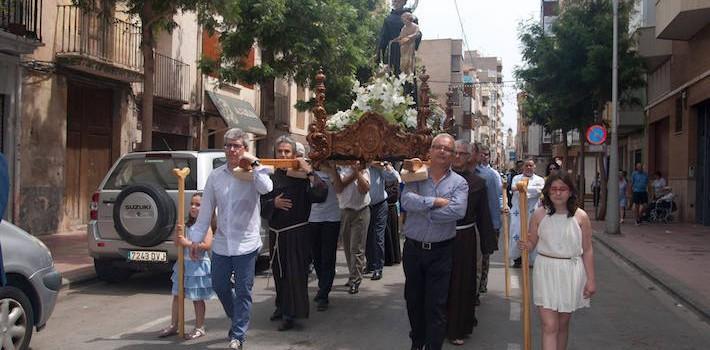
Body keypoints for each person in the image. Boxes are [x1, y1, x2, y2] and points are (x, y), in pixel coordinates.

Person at [190, 128, 273, 350]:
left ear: (245, 149)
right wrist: (196, 240)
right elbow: (206, 211)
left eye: (236, 145)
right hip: (222, 243)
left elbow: (267, 189)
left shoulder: (254, 174)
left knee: (244, 290)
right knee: (219, 285)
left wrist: (254, 165)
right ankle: (238, 317)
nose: (231, 150)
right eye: (228, 145)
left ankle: (238, 335)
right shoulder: (216, 176)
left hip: (246, 243)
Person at [401, 133, 468, 350]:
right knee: (413, 301)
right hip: (413, 250)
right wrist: (436, 202)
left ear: (453, 155)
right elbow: (406, 201)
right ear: (430, 150)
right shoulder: (416, 175)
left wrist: (425, 210)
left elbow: (458, 210)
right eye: (437, 147)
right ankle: (416, 343)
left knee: (436, 306)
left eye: (447, 149)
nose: (442, 151)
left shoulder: (460, 183)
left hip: (441, 252)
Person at [519, 172, 596, 350]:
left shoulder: (581, 216)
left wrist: (591, 280)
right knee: (549, 326)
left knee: (562, 325)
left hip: (570, 271)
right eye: (554, 189)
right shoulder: (539, 214)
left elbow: (588, 249)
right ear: (547, 192)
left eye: (562, 189)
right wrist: (526, 244)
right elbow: (532, 243)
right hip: (546, 270)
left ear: (570, 192)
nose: (558, 193)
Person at [261, 136, 327, 331]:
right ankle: (281, 307)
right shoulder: (269, 178)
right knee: (279, 272)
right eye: (279, 151)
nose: (282, 155)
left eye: (286, 152)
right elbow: (260, 204)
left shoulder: (301, 178)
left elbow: (321, 194)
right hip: (276, 234)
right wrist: (274, 204)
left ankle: (291, 314)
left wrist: (309, 171)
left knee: (294, 275)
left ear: (294, 154)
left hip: (297, 234)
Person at [447, 140, 495, 346]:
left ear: (469, 157)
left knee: (462, 284)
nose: (457, 156)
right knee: (441, 283)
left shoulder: (478, 183)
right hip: (440, 237)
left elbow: (483, 215)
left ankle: (459, 327)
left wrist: (487, 244)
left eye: (461, 153)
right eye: (454, 153)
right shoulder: (439, 177)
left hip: (465, 238)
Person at [159, 193, 215, 340]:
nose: (193, 207)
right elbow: (178, 243)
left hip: (197, 267)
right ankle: (174, 325)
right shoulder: (186, 225)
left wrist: (187, 243)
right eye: (192, 204)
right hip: (183, 264)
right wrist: (177, 235)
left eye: (198, 205)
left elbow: (207, 245)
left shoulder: (205, 226)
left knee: (197, 298)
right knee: (177, 295)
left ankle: (199, 326)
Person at [330, 161, 371, 294]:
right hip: (345, 211)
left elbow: (363, 189)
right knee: (347, 247)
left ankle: (355, 280)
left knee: (356, 248)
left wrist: (357, 172)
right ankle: (352, 274)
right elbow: (338, 188)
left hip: (360, 211)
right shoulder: (339, 169)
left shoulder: (364, 169)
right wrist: (335, 169)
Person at [309, 163, 342, 312]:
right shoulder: (308, 169)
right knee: (316, 257)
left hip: (331, 218)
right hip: (313, 218)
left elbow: (339, 189)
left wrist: (333, 170)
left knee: (328, 257)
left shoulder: (334, 169)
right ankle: (322, 286)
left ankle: (324, 294)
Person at [473, 143, 502, 295]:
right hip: (470, 224)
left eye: (486, 154)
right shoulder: (464, 172)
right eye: (481, 154)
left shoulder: (492, 175)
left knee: (484, 257)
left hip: (486, 222)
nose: (483, 157)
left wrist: (495, 224)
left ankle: (481, 285)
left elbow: (496, 199)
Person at [365, 161, 399, 280]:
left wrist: (386, 166)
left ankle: (378, 268)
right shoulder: (361, 166)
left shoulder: (379, 167)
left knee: (378, 236)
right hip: (365, 206)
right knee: (367, 236)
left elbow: (395, 177)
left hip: (380, 205)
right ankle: (370, 264)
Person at [509, 158, 545, 267]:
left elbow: (540, 190)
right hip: (518, 212)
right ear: (523, 167)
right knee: (517, 232)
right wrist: (527, 189)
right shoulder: (516, 178)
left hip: (533, 212)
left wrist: (524, 188)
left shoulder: (540, 179)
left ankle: (532, 259)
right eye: (526, 166)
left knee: (532, 234)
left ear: (534, 167)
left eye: (531, 166)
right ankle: (517, 258)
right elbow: (514, 188)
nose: (529, 168)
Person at [377, 0, 421, 74]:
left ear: (404, 2)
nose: (396, 3)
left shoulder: (412, 18)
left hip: (408, 52)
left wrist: (412, 39)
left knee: (407, 77)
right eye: (395, 1)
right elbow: (383, 40)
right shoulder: (388, 19)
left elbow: (418, 34)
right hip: (393, 54)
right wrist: (379, 59)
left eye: (399, 1)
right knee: (395, 78)